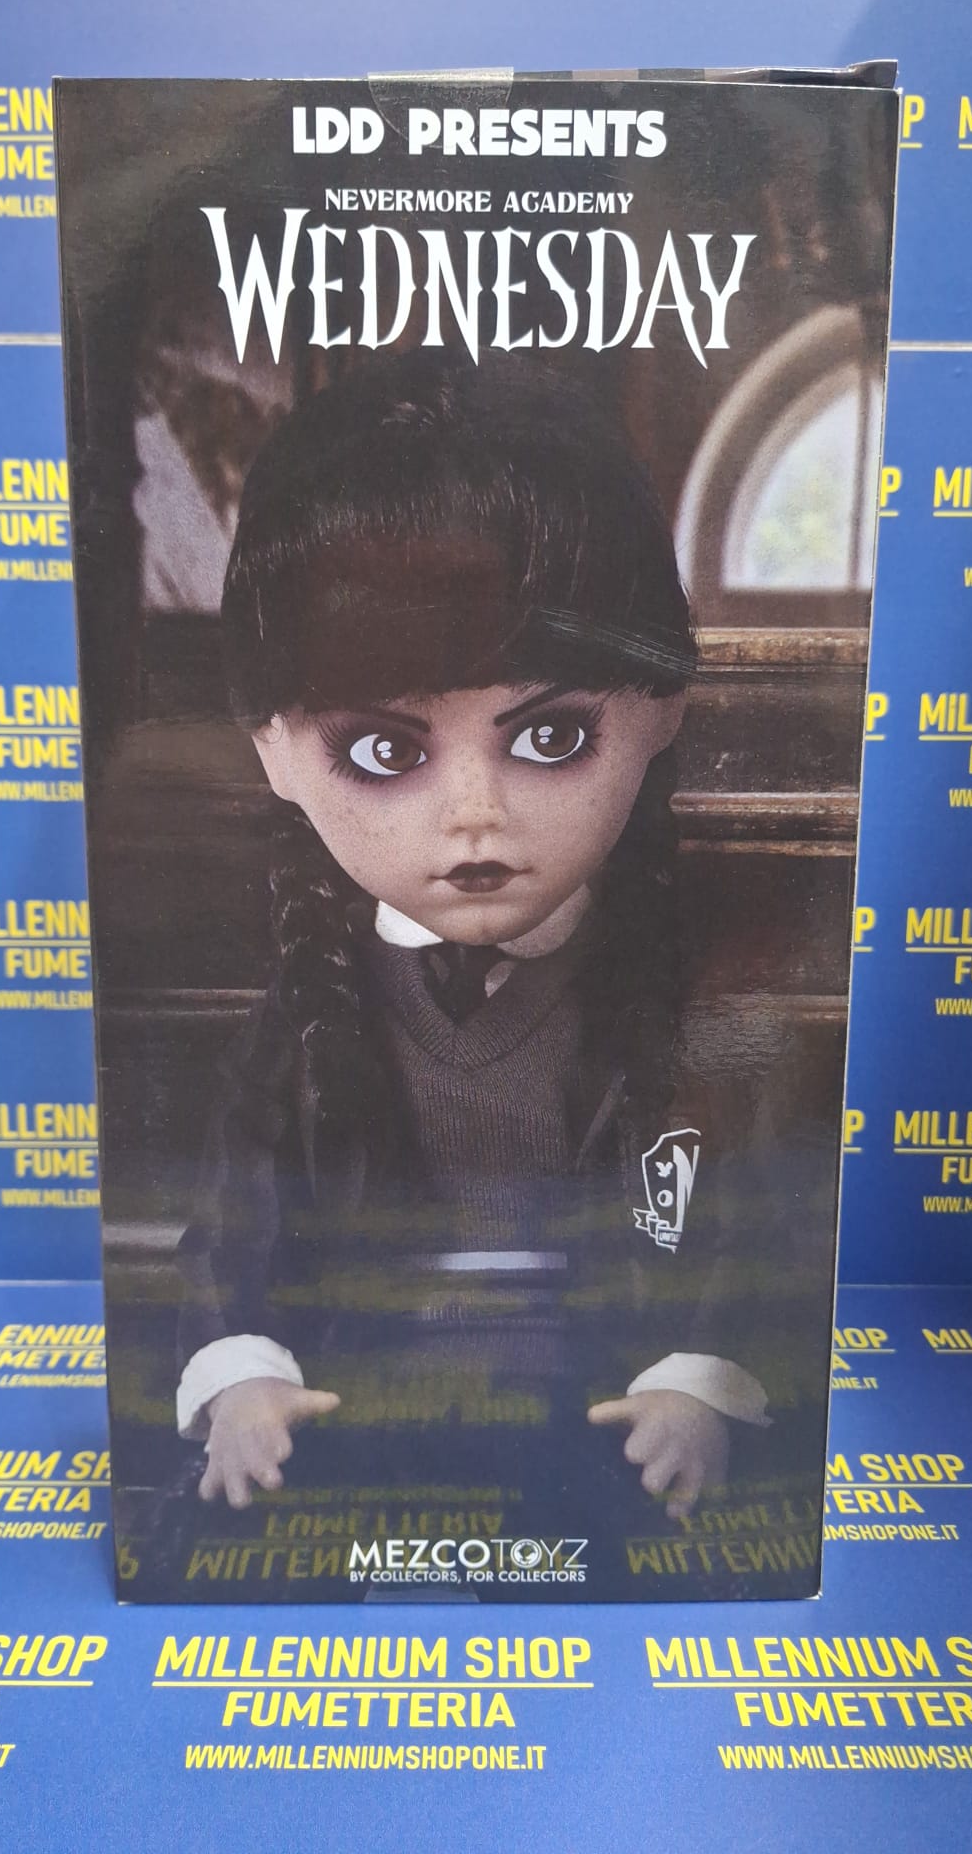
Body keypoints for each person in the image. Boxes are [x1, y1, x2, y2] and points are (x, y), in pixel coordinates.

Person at [173, 349, 800, 1574]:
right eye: (383, 752)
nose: (475, 817)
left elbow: (738, 1231)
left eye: (552, 737)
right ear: (275, 752)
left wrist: (694, 1383)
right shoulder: (305, 1021)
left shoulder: (689, 1023)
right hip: (356, 1440)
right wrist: (245, 1379)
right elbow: (232, 1231)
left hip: (607, 1444)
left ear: (662, 707)